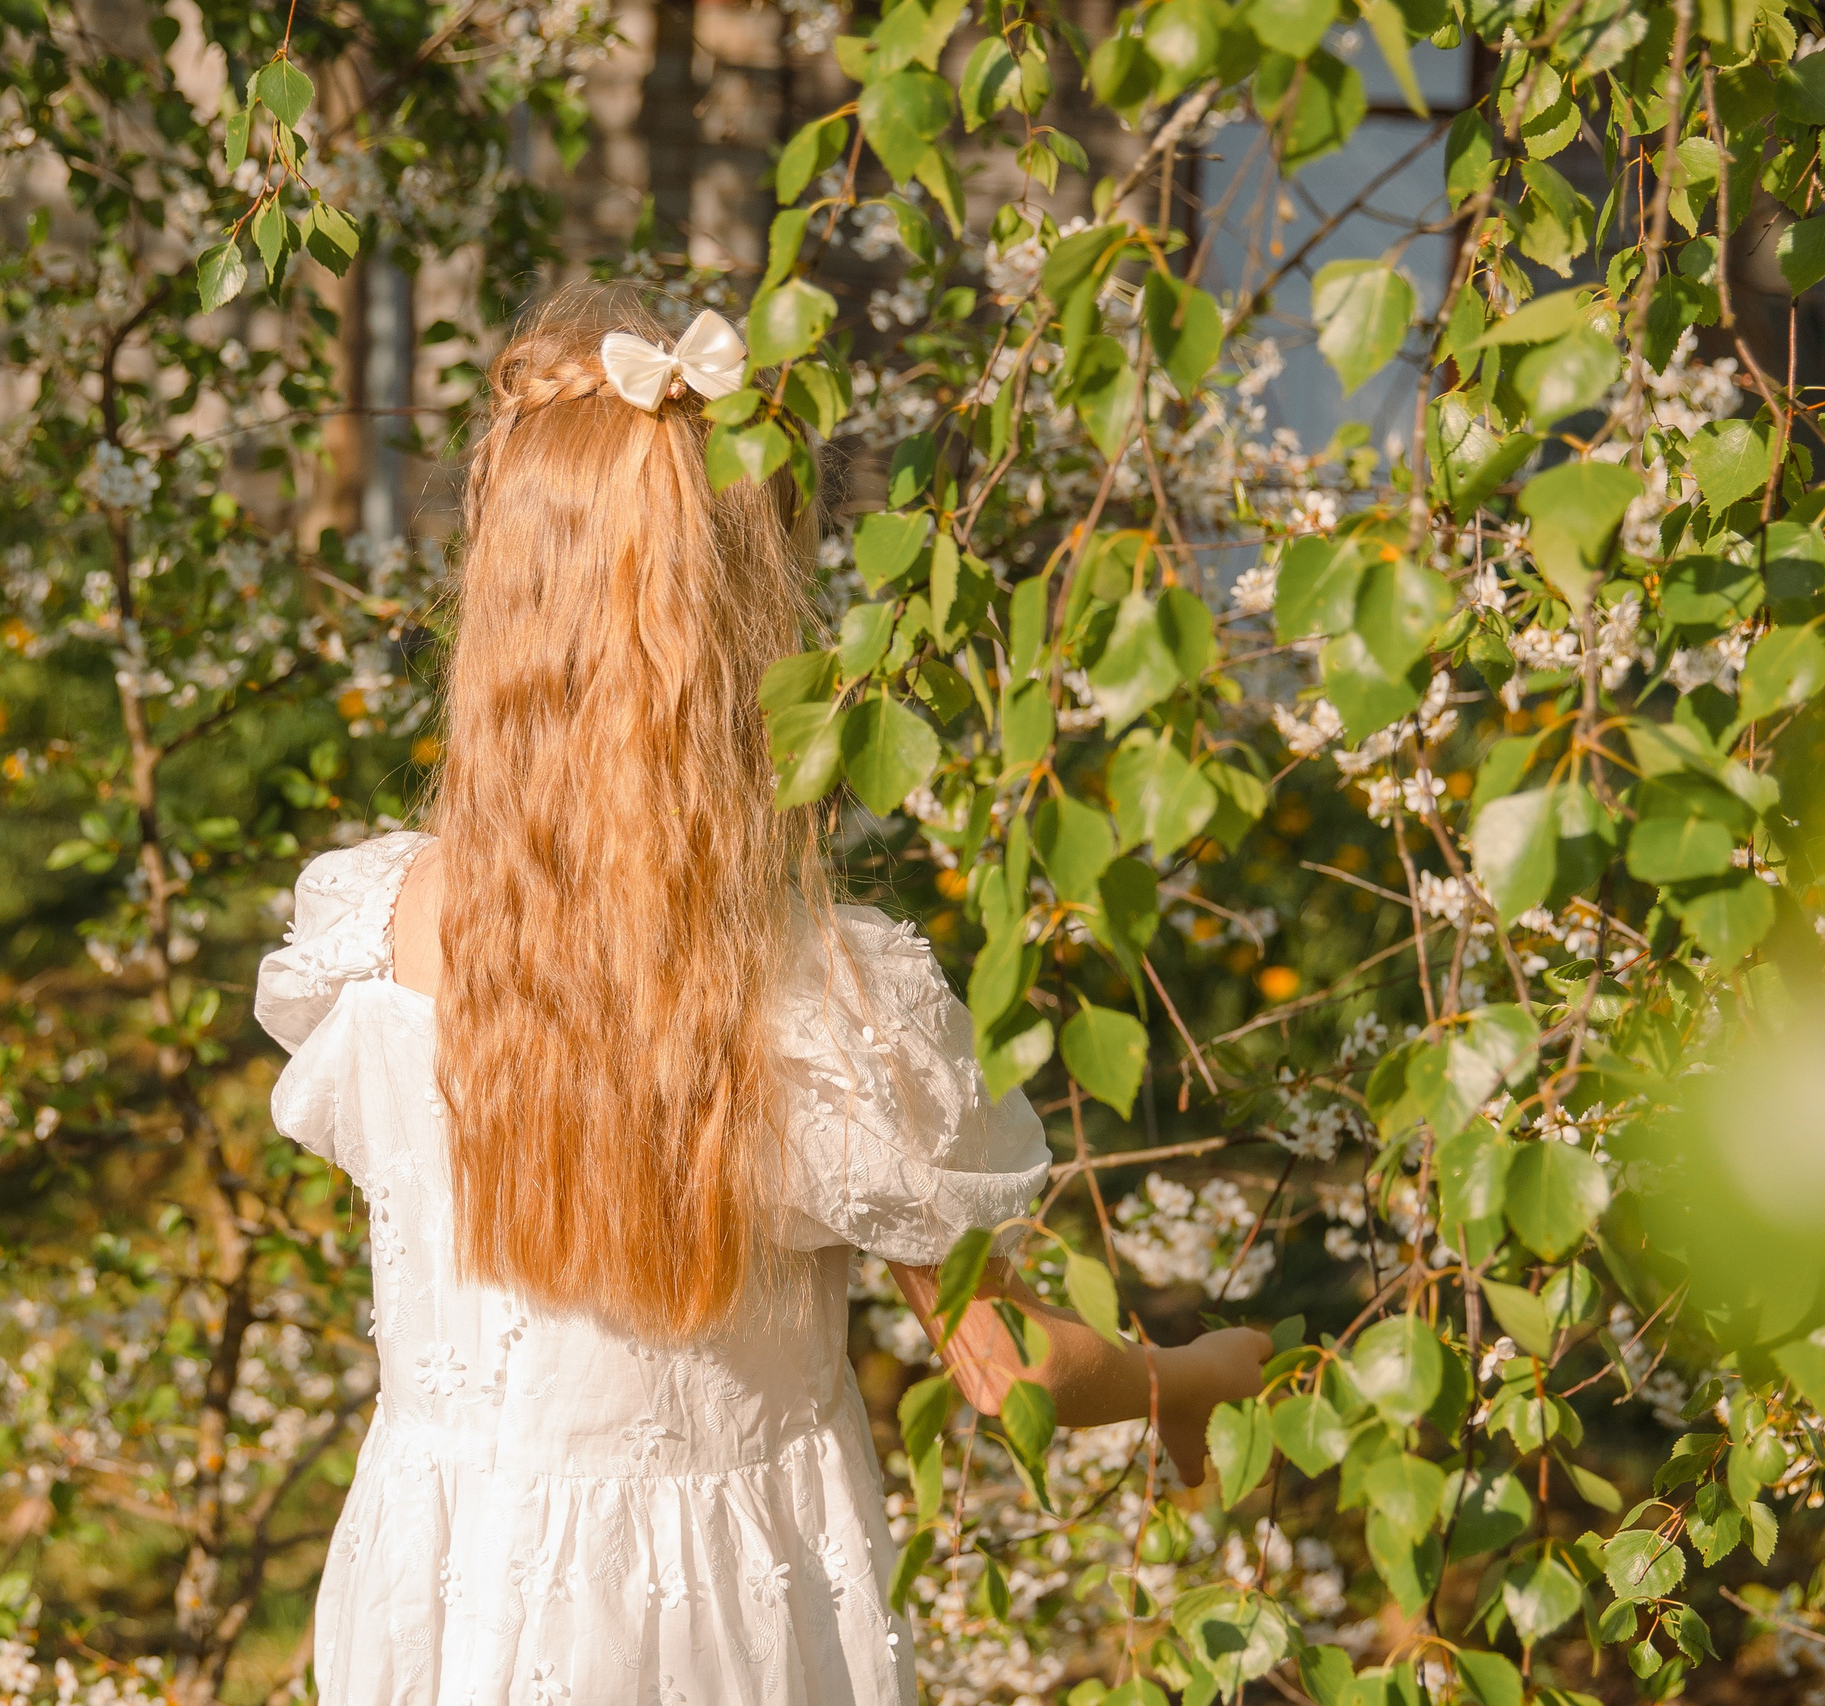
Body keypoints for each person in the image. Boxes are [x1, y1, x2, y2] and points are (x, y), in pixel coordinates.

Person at [252, 285, 1271, 1706]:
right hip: (722, 1629)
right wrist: (1208, 1371)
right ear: (758, 622)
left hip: (441, 1602)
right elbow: (1007, 1370)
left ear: (498, 596)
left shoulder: (376, 933)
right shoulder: (824, 1002)